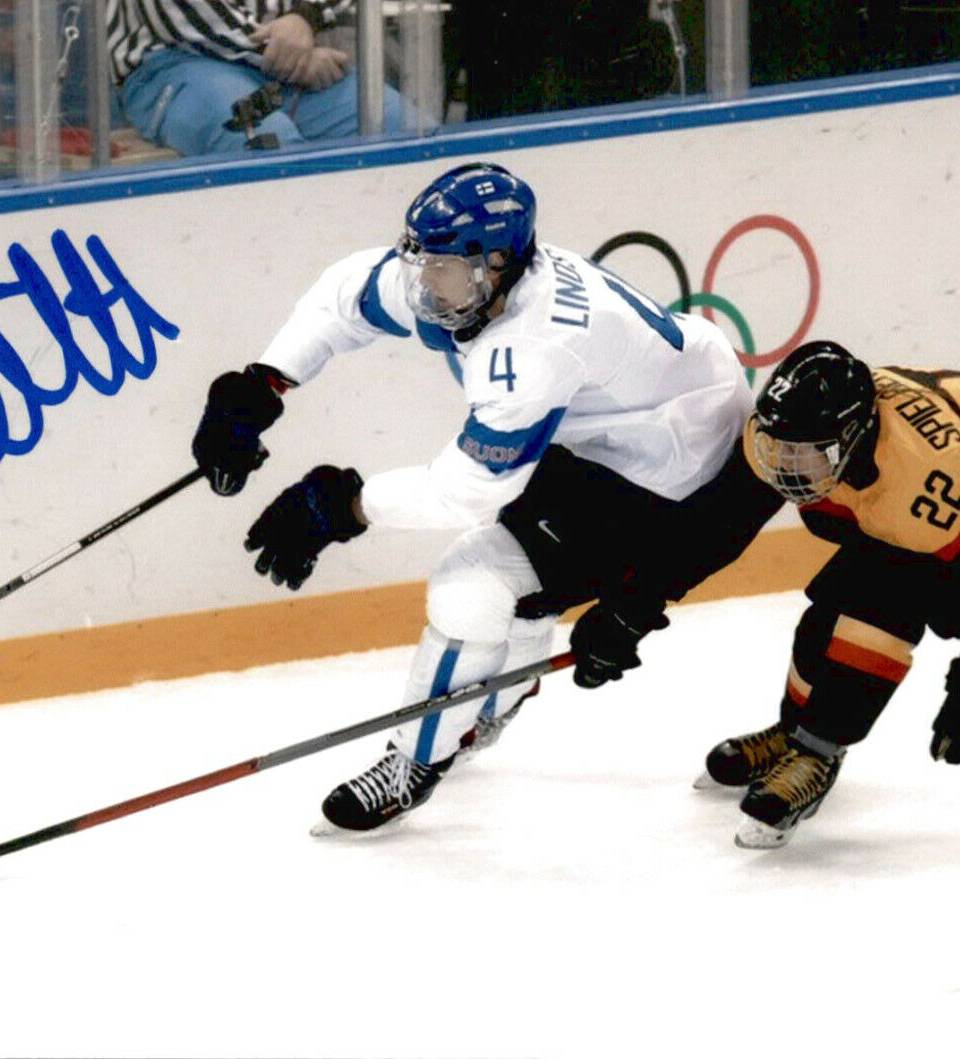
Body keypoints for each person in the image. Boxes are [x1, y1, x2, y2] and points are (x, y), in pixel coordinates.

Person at [190, 161, 782, 833]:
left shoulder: (534, 348)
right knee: (517, 582)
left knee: (470, 584)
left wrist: (346, 507)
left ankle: (414, 761)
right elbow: (346, 294)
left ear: (496, 265)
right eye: (419, 257)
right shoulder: (462, 280)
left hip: (665, 465)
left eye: (437, 266)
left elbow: (468, 491)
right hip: (626, 420)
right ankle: (498, 686)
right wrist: (264, 382)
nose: (420, 281)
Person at [700, 342, 960, 848]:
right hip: (957, 478)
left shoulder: (921, 478)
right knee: (831, 608)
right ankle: (794, 734)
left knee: (879, 608)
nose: (786, 463)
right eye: (781, 445)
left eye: (806, 452)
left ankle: (819, 753)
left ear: (855, 435)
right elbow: (727, 518)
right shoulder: (817, 433)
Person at [108, 0, 425, 156]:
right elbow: (182, 16)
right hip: (181, 63)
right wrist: (290, 53)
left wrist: (306, 16)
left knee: (405, 127)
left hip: (291, 56)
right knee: (267, 142)